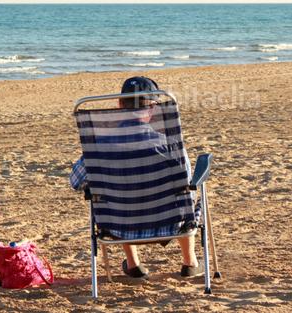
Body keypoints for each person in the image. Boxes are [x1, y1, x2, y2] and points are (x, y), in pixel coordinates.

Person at [70, 76, 203, 279]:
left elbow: (75, 182)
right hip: (170, 222)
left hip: (118, 224)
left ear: (119, 105)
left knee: (119, 194)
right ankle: (189, 262)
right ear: (152, 109)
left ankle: (133, 265)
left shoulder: (99, 148)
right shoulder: (169, 146)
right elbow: (185, 180)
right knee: (184, 193)